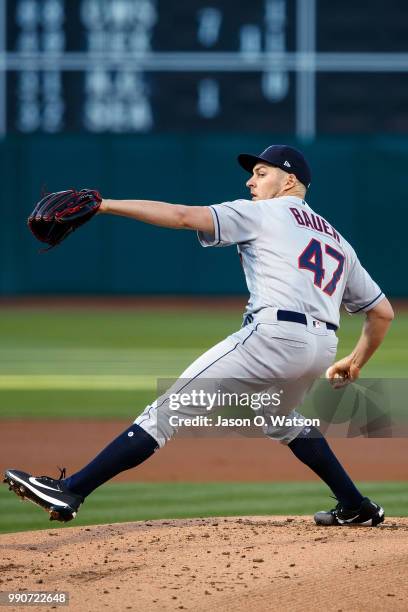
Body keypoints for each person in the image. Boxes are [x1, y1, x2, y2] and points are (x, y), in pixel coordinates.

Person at [4, 144, 394, 527]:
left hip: (273, 338)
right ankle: (355, 504)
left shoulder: (263, 214)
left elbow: (181, 215)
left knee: (165, 412)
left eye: (261, 174)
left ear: (289, 180)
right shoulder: (338, 241)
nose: (250, 182)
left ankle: (70, 490)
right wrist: (355, 361)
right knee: (278, 417)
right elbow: (381, 312)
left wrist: (106, 204)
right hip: (322, 347)